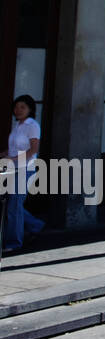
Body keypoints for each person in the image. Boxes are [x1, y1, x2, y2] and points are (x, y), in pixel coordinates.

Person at [3, 95, 46, 252]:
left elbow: (33, 149)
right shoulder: (17, 125)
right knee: (12, 204)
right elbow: (14, 147)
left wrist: (13, 159)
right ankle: (36, 225)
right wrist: (4, 154)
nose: (18, 110)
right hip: (12, 168)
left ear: (30, 109)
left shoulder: (32, 125)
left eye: (23, 107)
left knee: (14, 204)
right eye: (16, 107)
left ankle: (14, 242)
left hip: (25, 168)